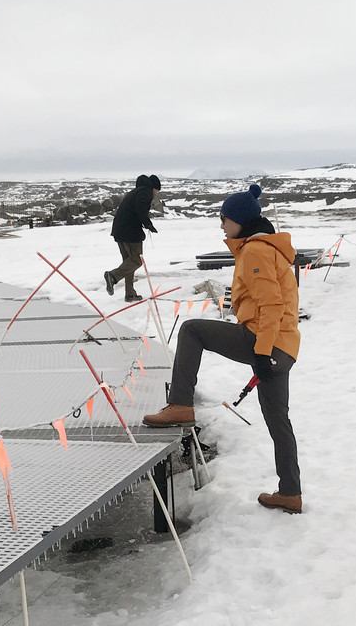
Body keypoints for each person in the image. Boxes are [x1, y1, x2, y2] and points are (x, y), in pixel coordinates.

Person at [143, 184, 304, 513]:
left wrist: (260, 352)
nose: (221, 225)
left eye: (224, 218)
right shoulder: (267, 249)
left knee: (192, 330)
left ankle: (180, 404)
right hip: (284, 348)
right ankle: (290, 492)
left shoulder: (256, 251)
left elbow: (272, 305)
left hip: (265, 341)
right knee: (278, 421)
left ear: (241, 221)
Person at [105, 175, 160, 303]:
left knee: (128, 262)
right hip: (130, 232)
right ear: (154, 187)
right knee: (136, 260)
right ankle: (112, 276)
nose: (156, 194)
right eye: (157, 191)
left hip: (119, 230)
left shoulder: (135, 192)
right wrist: (148, 224)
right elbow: (140, 209)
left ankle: (130, 294)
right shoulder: (146, 192)